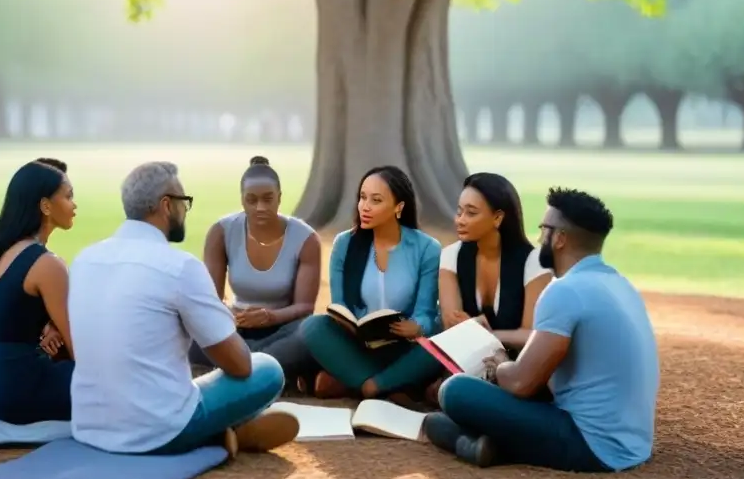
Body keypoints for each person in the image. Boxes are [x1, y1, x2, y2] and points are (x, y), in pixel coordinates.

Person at [67, 161, 300, 457]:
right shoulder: (179, 266)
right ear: (166, 205)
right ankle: (224, 434)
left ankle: (231, 432)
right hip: (157, 432)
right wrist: (220, 317)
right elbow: (239, 366)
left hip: (89, 428)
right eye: (183, 202)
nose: (184, 210)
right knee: (266, 369)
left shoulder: (85, 259)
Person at [423, 187, 660, 473]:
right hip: (635, 443)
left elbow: (522, 384)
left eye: (543, 229)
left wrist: (500, 366)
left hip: (591, 446)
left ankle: (483, 443)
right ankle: (483, 443)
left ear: (559, 238)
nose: (539, 238)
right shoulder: (621, 285)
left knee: (455, 391)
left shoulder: (565, 290)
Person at [300, 165, 444, 401]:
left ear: (399, 207)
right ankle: (393, 386)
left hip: (405, 348)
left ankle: (368, 386)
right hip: (359, 346)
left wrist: (417, 327)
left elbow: (426, 312)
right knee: (313, 327)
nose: (365, 206)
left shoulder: (427, 248)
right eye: (362, 197)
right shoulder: (345, 244)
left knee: (441, 333)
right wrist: (347, 323)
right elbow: (340, 305)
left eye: (376, 200)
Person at [0, 157, 78, 424]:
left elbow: (7, 313)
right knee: (112, 378)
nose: (74, 205)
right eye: (69, 196)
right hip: (14, 392)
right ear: (46, 206)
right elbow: (78, 349)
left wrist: (51, 327)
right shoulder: (48, 265)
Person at [197, 155, 321, 383]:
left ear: (279, 198)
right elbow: (210, 300)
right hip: (235, 330)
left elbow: (305, 307)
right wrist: (232, 315)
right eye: (251, 200)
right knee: (185, 327)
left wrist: (270, 317)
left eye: (268, 199)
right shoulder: (222, 232)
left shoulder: (306, 238)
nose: (260, 207)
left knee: (315, 331)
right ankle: (266, 366)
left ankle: (240, 365)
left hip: (284, 329)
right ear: (242, 200)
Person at [439, 173, 552, 356]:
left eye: (471, 213)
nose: (460, 220)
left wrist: (486, 333)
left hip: (516, 366)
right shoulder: (451, 255)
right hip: (467, 359)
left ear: (497, 218)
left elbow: (531, 336)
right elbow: (452, 326)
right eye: (459, 212)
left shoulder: (534, 263)